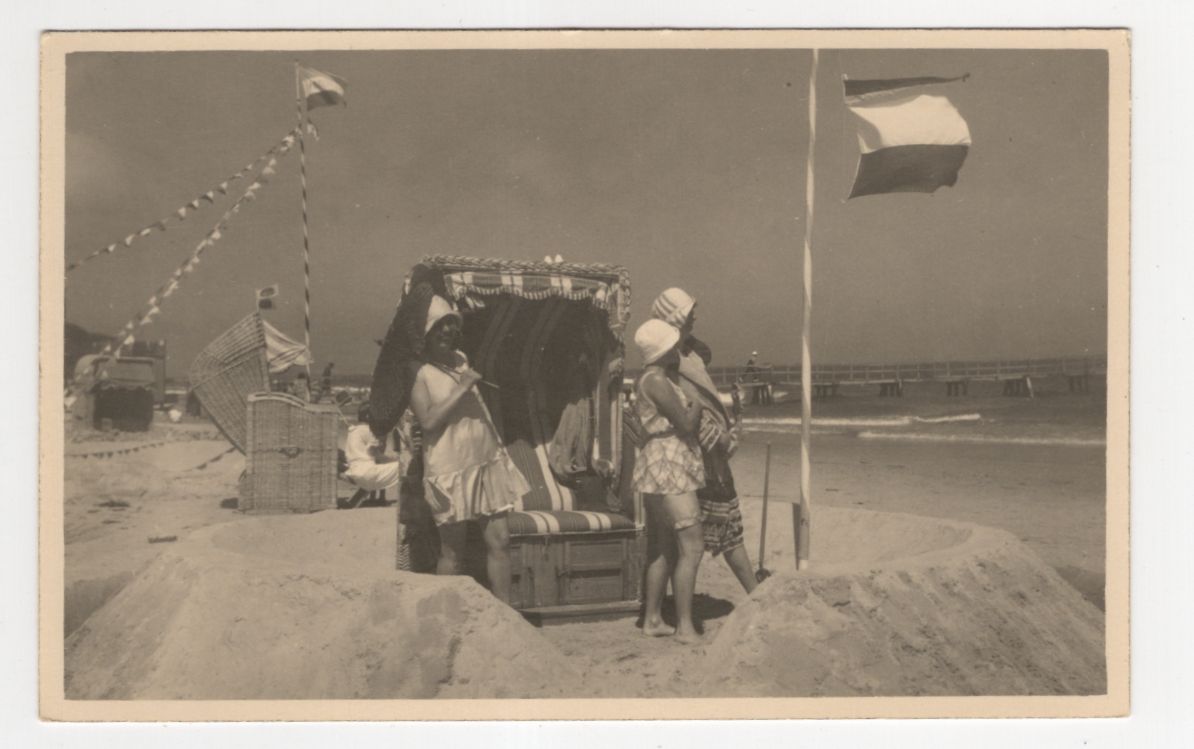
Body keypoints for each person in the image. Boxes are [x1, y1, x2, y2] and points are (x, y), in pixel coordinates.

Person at [409, 295, 530, 604]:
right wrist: (463, 386)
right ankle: (445, 617)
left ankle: (505, 617)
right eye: (440, 325)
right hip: (449, 468)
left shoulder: (461, 358)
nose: (448, 330)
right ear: (426, 331)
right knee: (452, 552)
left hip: (485, 461)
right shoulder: (418, 373)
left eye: (452, 323)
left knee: (501, 540)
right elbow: (429, 421)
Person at [652, 288, 759, 594]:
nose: (695, 316)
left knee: (720, 532)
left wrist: (733, 416)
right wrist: (723, 437)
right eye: (689, 312)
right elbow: (689, 407)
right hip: (701, 457)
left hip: (704, 455)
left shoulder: (686, 357)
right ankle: (751, 595)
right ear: (676, 318)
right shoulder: (675, 364)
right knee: (706, 538)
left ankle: (753, 593)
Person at [632, 318, 706, 643]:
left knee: (662, 547)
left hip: (655, 462)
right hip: (670, 464)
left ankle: (652, 618)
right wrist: (698, 407)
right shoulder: (658, 381)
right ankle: (686, 626)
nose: (678, 349)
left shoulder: (647, 378)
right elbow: (686, 425)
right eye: (673, 345)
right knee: (692, 546)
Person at [341, 401, 403, 507]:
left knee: (377, 467)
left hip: (354, 471)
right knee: (404, 466)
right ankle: (407, 501)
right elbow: (376, 454)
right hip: (367, 474)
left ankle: (367, 498)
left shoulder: (353, 430)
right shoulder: (368, 431)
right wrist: (396, 459)